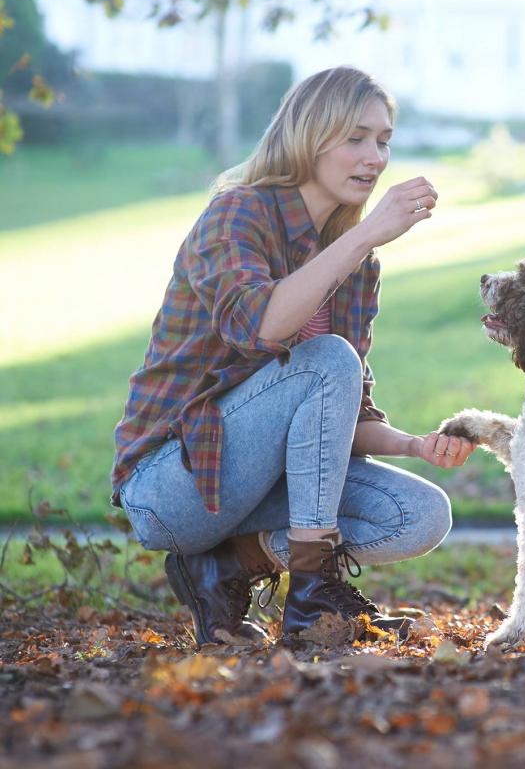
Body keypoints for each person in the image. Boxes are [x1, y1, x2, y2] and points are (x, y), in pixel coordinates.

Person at [110, 66, 475, 646]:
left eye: (383, 140)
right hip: (171, 484)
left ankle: (228, 564)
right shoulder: (238, 216)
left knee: (422, 513)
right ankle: (310, 599)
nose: (375, 157)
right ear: (309, 137)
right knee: (327, 357)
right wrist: (363, 237)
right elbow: (261, 327)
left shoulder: (357, 263)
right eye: (356, 138)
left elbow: (340, 414)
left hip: (258, 485)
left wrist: (412, 446)